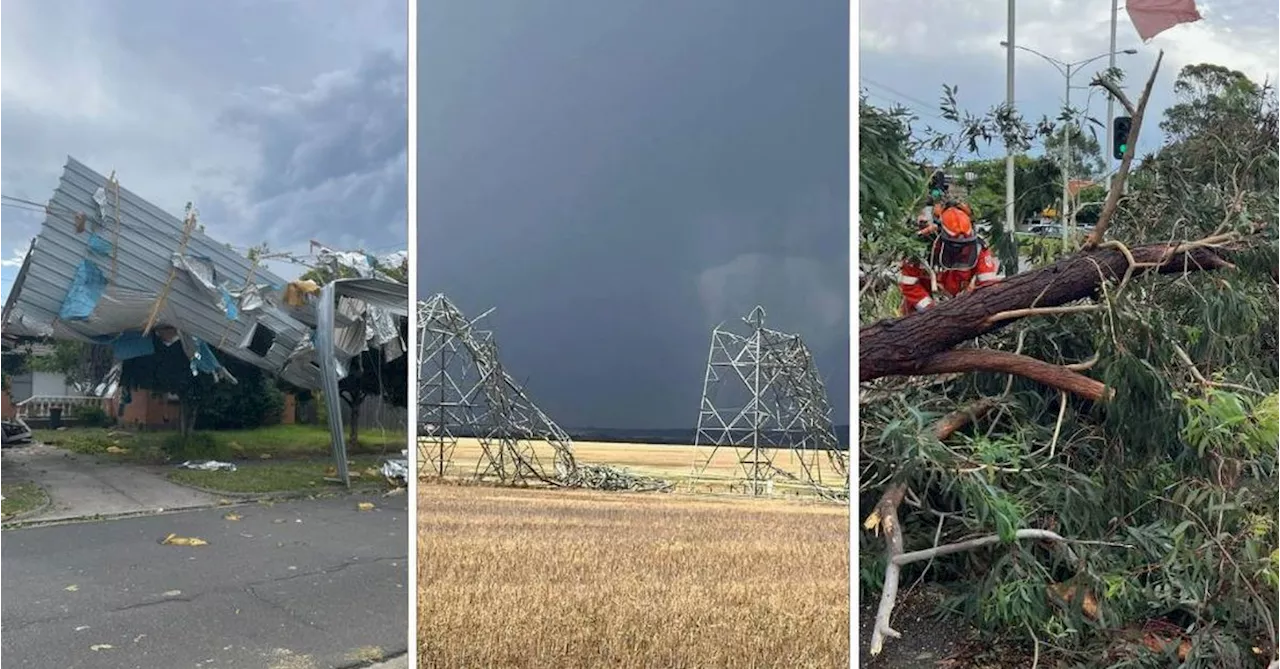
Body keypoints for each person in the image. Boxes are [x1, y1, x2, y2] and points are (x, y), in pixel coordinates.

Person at [897, 194, 1002, 315]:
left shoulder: (978, 248)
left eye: (963, 245)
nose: (959, 250)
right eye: (954, 245)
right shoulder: (922, 247)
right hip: (917, 315)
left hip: (959, 309)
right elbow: (908, 284)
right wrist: (929, 310)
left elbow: (989, 284)